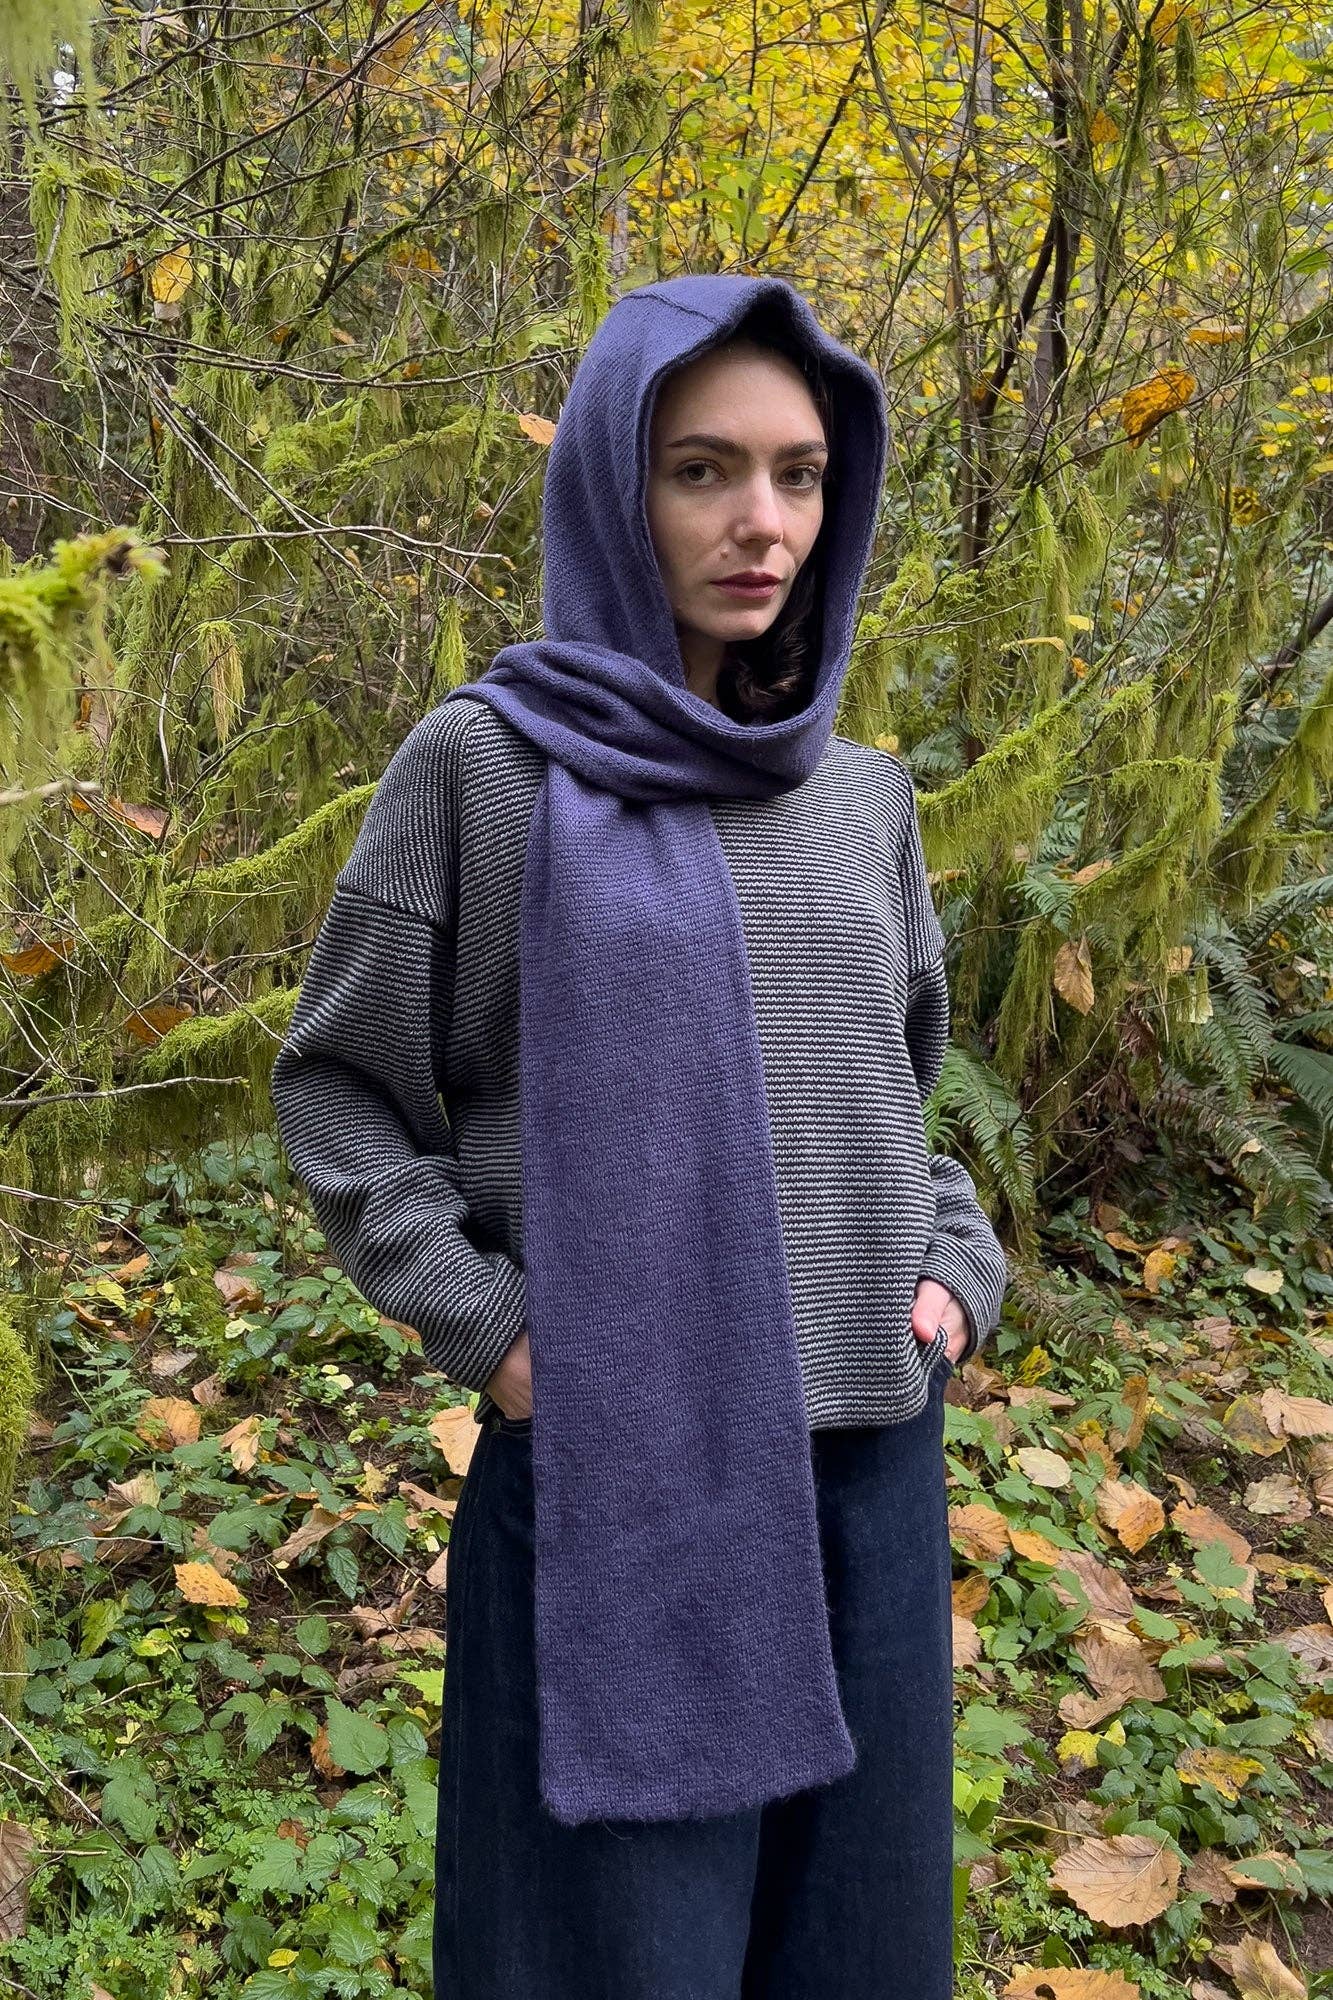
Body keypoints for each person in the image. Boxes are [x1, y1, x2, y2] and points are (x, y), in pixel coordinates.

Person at [270, 272, 1008, 1999]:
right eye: (702, 470)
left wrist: (952, 1271)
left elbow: (894, 1095)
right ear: (614, 481)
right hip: (623, 1478)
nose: (763, 523)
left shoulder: (861, 796)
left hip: (865, 1477)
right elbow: (337, 1087)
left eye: (799, 475)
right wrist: (501, 1337)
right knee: (609, 1963)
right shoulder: (482, 772)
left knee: (850, 1952)